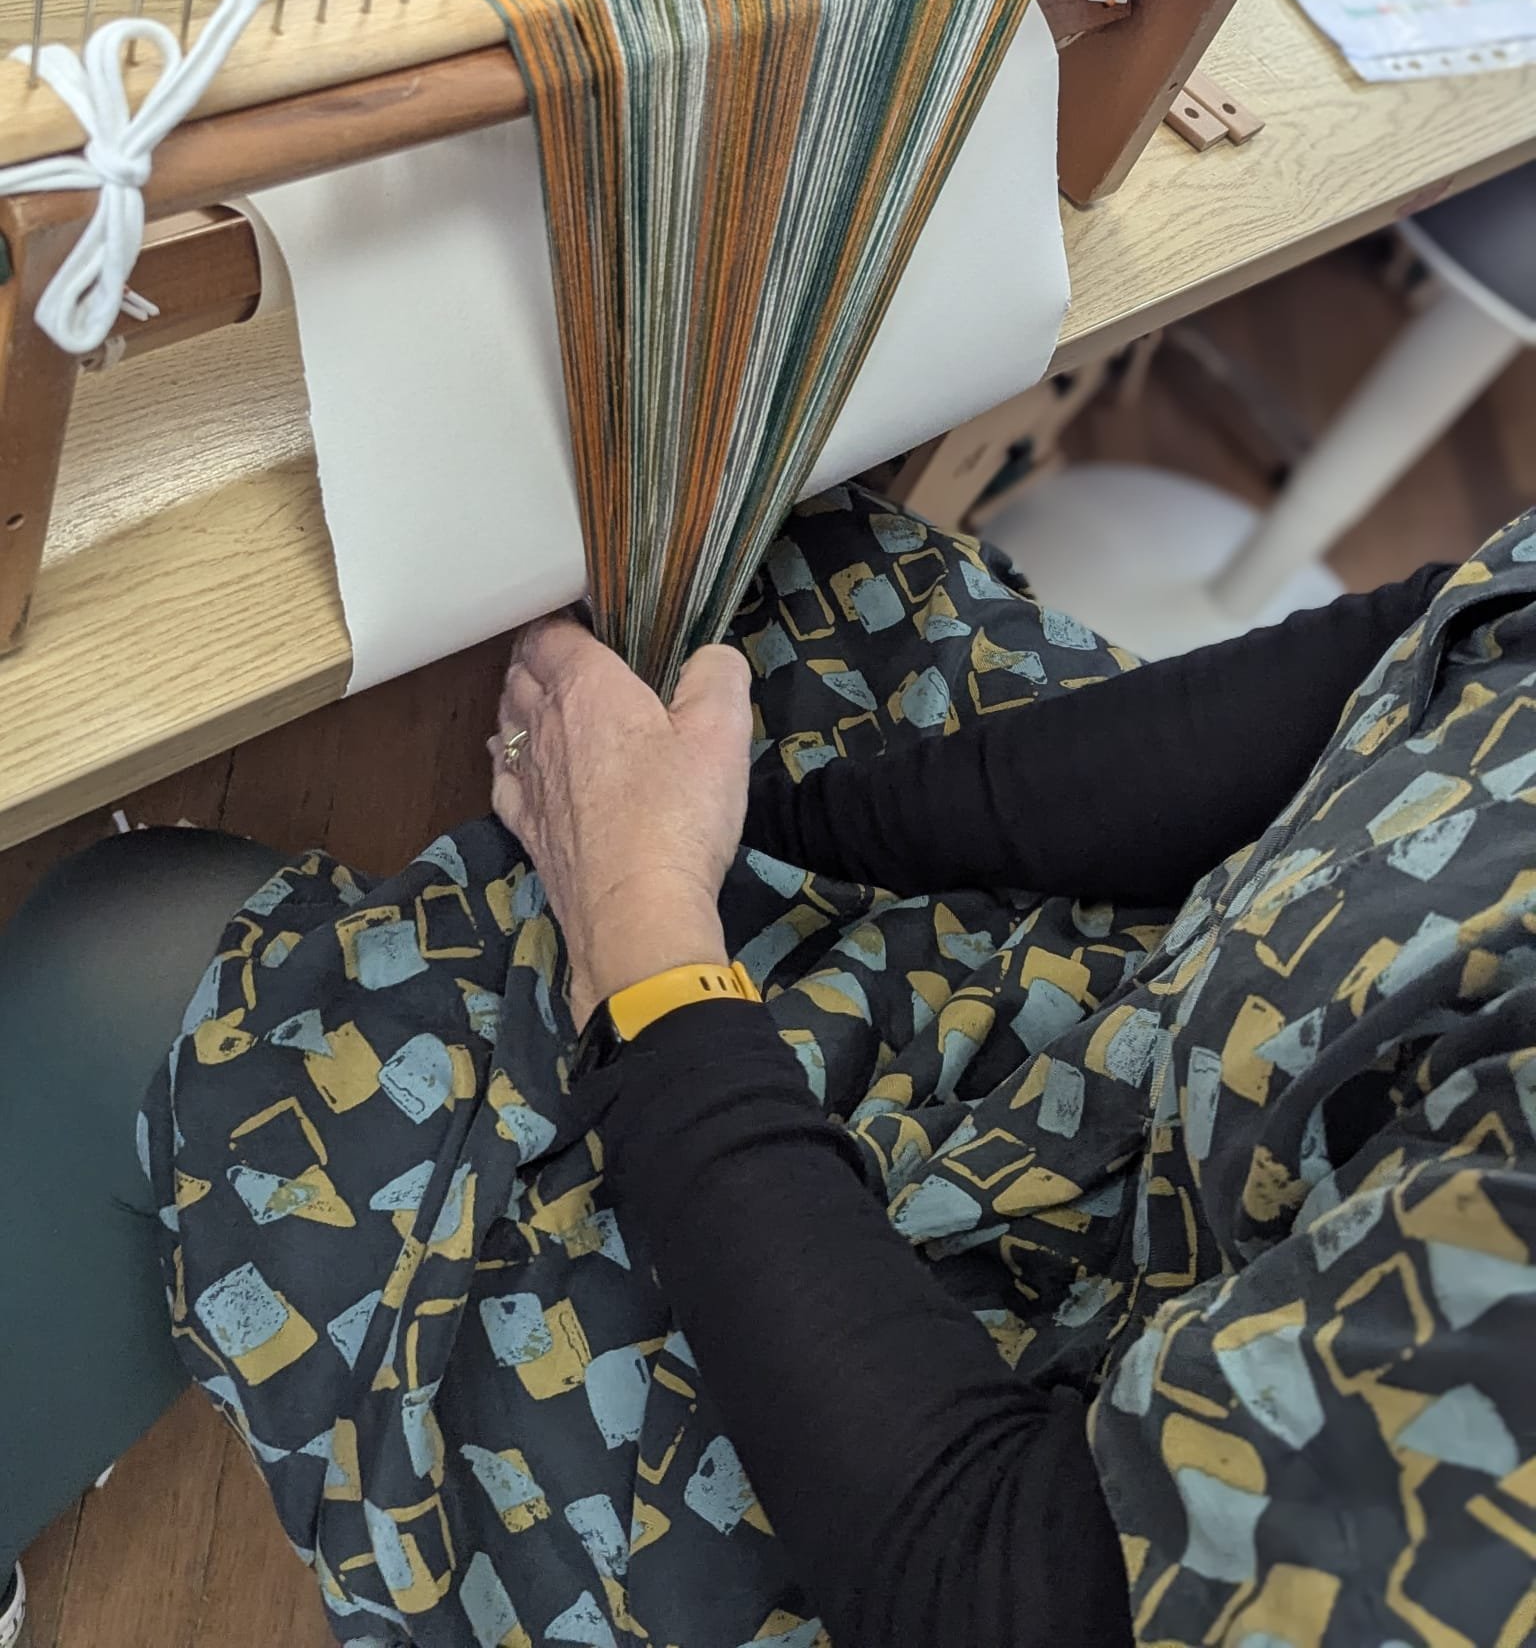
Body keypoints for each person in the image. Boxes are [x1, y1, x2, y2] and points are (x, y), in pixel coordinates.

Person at [4, 486, 1535, 1648]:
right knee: (763, 559)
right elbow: (1399, 668)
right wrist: (791, 834)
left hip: (1002, 1494)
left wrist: (650, 938)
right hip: (1205, 1029)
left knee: (135, 975)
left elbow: (996, 1585)